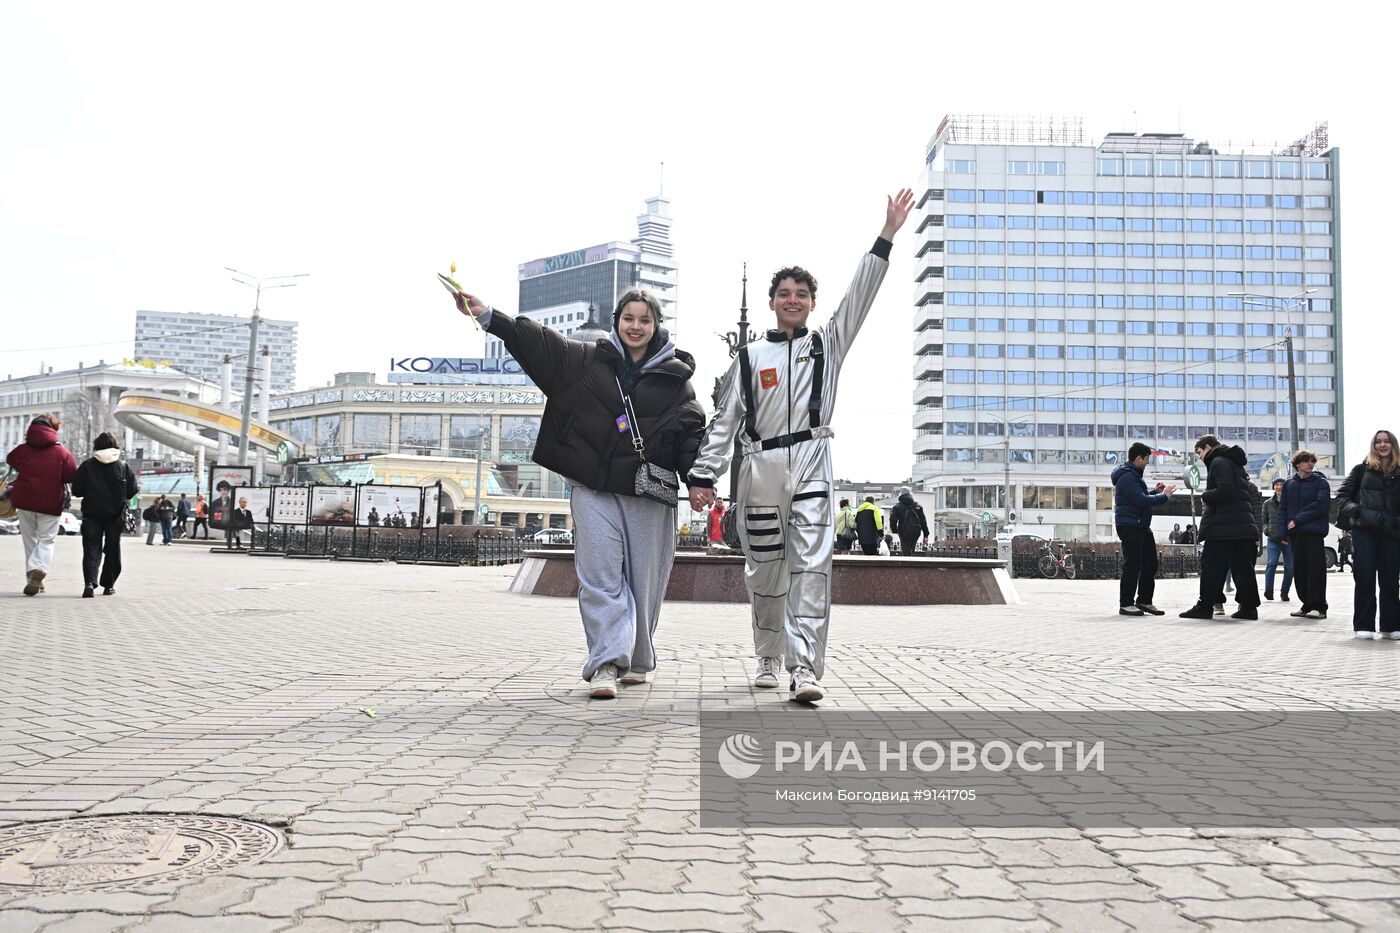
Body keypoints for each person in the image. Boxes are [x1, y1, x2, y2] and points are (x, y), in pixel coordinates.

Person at [687, 189, 915, 703]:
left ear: (813, 302)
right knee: (765, 572)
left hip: (812, 460)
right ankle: (768, 655)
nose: (793, 299)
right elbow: (726, 419)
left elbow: (859, 297)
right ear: (772, 301)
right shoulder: (749, 357)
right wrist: (704, 475)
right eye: (784, 292)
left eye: (802, 293)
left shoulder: (826, 346)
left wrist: (886, 235)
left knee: (812, 570)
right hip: (761, 466)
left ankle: (805, 669)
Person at [453, 283, 706, 700]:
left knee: (645, 583)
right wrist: (488, 315)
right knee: (600, 578)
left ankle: (639, 657)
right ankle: (606, 661)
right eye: (629, 318)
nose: (636, 326)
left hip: (648, 495)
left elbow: (690, 438)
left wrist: (699, 480)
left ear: (657, 325)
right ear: (616, 322)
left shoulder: (678, 382)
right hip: (592, 490)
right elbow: (538, 343)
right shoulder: (586, 360)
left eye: (645, 319)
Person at [1179, 435, 1260, 620]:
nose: (1200, 458)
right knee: (1242, 569)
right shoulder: (1233, 462)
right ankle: (1248, 608)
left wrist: (1206, 495)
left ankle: (1205, 606)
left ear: (1208, 447)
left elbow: (1226, 490)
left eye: (1199, 452)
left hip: (1224, 526)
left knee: (1211, 566)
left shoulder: (1218, 461)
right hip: (1240, 525)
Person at [1335, 429, 1400, 640]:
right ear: (1373, 445)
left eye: (1386, 442)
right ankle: (1364, 625)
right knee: (1365, 578)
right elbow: (1342, 497)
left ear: (1393, 445)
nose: (1382, 445)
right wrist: (1359, 511)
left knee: (1390, 579)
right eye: (1378, 442)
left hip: (1392, 532)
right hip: (1365, 531)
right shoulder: (1361, 469)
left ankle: (1391, 626)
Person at [5, 414, 78, 596]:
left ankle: (34, 579)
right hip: (50, 501)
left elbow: (10, 459)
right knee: (46, 540)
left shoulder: (22, 449)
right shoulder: (61, 452)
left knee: (29, 540)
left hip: (25, 501)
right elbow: (71, 476)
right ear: (53, 430)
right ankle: (39, 569)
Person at [71, 432, 138, 597]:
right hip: (115, 516)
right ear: (115, 447)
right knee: (112, 549)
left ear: (96, 447)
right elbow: (131, 491)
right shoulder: (123, 466)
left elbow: (77, 491)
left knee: (91, 549)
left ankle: (89, 583)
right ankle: (108, 585)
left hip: (91, 515)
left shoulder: (87, 465)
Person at [1112, 442, 1176, 616]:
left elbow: (1141, 497)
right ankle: (1126, 603)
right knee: (1133, 564)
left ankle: (1144, 601)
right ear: (1138, 458)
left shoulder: (1134, 476)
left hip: (1140, 524)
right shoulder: (1127, 477)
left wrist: (1155, 492)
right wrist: (1164, 496)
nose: (1148, 462)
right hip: (1130, 525)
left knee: (1150, 563)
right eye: (1147, 458)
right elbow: (1141, 501)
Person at [1277, 450, 1331, 621]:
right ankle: (1306, 604)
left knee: (1315, 570)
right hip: (1296, 534)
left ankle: (1319, 607)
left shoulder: (1320, 482)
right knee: (1299, 569)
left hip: (1314, 532)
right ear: (1297, 464)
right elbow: (1283, 509)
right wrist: (1282, 533)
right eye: (1306, 461)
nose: (1310, 464)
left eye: (1312, 461)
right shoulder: (1288, 484)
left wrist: (1298, 519)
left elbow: (1321, 505)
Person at [1261, 477, 1294, 602]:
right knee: (1271, 563)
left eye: (1281, 484)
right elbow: (1264, 521)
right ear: (1273, 487)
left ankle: (1284, 592)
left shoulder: (1290, 502)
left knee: (1290, 568)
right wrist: (1266, 530)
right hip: (1273, 539)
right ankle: (1268, 590)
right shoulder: (1267, 503)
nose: (1279, 487)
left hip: (1289, 540)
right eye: (1276, 485)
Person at [890, 486, 929, 556]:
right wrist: (926, 534)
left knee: (906, 551)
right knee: (911, 549)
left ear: (901, 494)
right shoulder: (918, 506)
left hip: (904, 531)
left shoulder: (897, 507)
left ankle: (907, 564)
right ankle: (911, 561)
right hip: (916, 531)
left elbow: (892, 520)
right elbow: (923, 521)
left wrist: (895, 530)